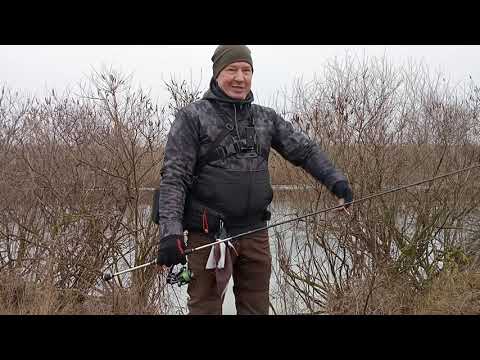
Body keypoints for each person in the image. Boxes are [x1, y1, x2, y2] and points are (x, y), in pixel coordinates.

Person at [155, 45, 353, 315]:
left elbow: (305, 151)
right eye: (232, 70)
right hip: (208, 238)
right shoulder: (192, 117)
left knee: (256, 309)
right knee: (204, 310)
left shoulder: (265, 117)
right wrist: (171, 233)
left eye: (246, 70)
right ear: (217, 74)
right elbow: (174, 177)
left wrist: (336, 182)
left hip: (256, 234)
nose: (240, 77)